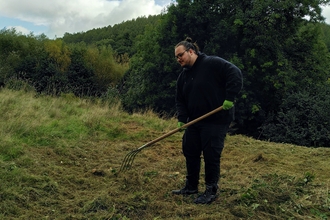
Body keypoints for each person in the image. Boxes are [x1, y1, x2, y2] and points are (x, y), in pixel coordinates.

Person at [172, 37, 243, 204]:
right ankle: (191, 186)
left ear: (191, 51)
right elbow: (180, 100)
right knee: (190, 150)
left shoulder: (212, 63)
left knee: (211, 154)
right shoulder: (183, 77)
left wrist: (230, 97)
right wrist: (182, 119)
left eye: (180, 55)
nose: (178, 59)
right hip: (194, 121)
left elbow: (235, 73)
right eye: (176, 57)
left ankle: (211, 190)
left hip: (216, 120)